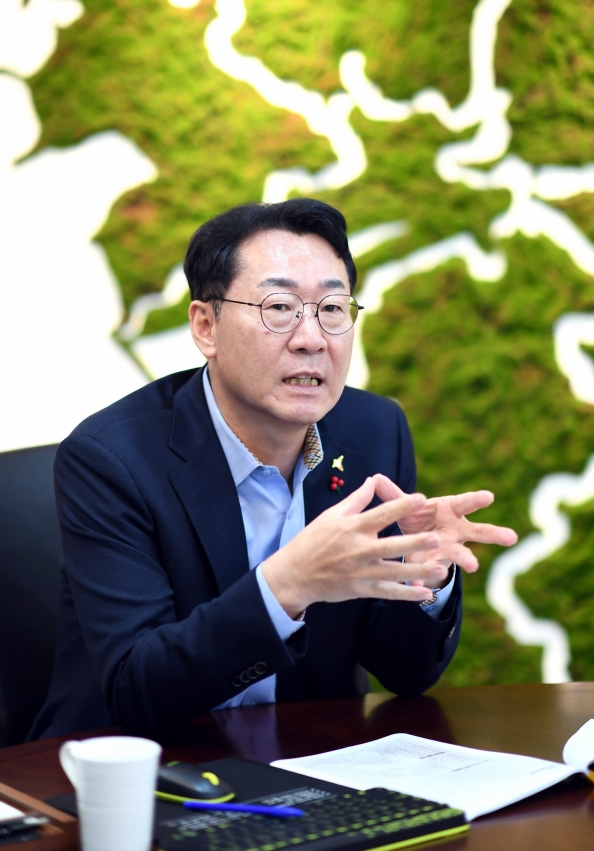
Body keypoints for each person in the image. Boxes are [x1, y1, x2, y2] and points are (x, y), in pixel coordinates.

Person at [29, 198, 517, 741]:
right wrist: (288, 585)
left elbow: (405, 674)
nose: (311, 338)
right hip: (133, 771)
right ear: (206, 326)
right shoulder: (112, 460)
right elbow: (138, 690)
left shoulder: (373, 430)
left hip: (308, 760)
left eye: (332, 309)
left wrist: (426, 583)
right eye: (279, 307)